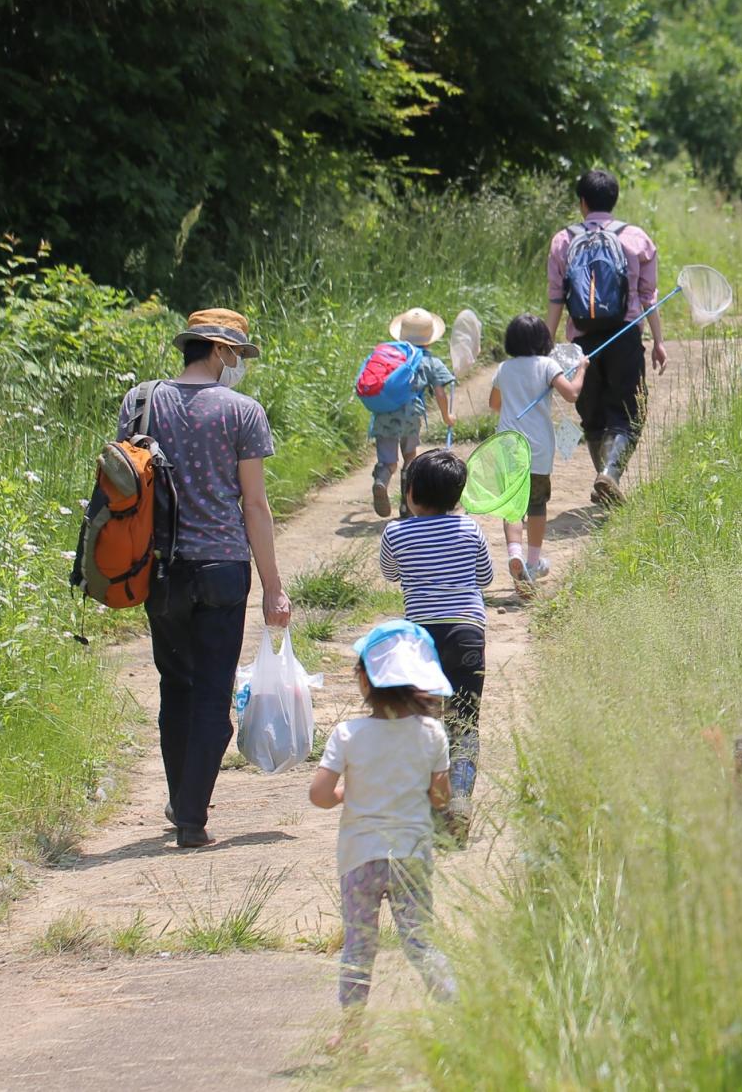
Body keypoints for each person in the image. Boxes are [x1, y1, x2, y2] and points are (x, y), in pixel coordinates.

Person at [119, 308, 291, 849]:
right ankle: (191, 815)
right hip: (222, 569)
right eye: (235, 353)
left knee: (176, 687)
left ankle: (181, 799)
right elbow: (254, 505)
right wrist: (273, 586)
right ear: (218, 350)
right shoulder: (243, 411)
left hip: (160, 568)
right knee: (214, 696)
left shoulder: (141, 402)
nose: (237, 363)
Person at [309, 621, 458, 1014]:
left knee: (359, 947)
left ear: (364, 680)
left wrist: (344, 794)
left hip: (360, 858)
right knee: (420, 942)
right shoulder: (432, 733)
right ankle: (454, 1013)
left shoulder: (347, 734)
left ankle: (351, 1031)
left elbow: (319, 795)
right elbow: (441, 798)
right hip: (411, 856)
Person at [376, 450, 492, 834]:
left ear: (410, 493)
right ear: (458, 495)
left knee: (425, 722)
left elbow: (390, 572)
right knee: (465, 721)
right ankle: (459, 800)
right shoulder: (471, 529)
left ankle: (430, 803)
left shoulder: (396, 533)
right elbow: (485, 577)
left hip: (420, 640)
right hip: (466, 633)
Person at [546, 168, 667, 507]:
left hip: (581, 341)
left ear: (582, 202)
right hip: (625, 335)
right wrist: (658, 341)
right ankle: (610, 474)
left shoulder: (563, 240)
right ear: (614, 200)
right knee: (628, 412)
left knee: (592, 414)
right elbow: (648, 296)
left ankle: (606, 475)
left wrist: (546, 345)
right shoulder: (636, 238)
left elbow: (556, 298)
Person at [487, 314, 586, 598]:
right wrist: (582, 368)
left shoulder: (504, 368)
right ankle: (531, 563)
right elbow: (572, 394)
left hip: (509, 445)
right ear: (543, 339)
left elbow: (494, 404)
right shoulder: (547, 365)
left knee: (513, 507)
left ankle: (514, 554)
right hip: (538, 448)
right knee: (537, 505)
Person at [368, 308, 458, 519]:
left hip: (383, 413)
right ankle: (407, 506)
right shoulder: (429, 361)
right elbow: (439, 392)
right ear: (430, 338)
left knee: (388, 461)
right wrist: (447, 417)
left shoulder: (390, 355)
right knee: (410, 457)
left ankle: (381, 480)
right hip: (410, 416)